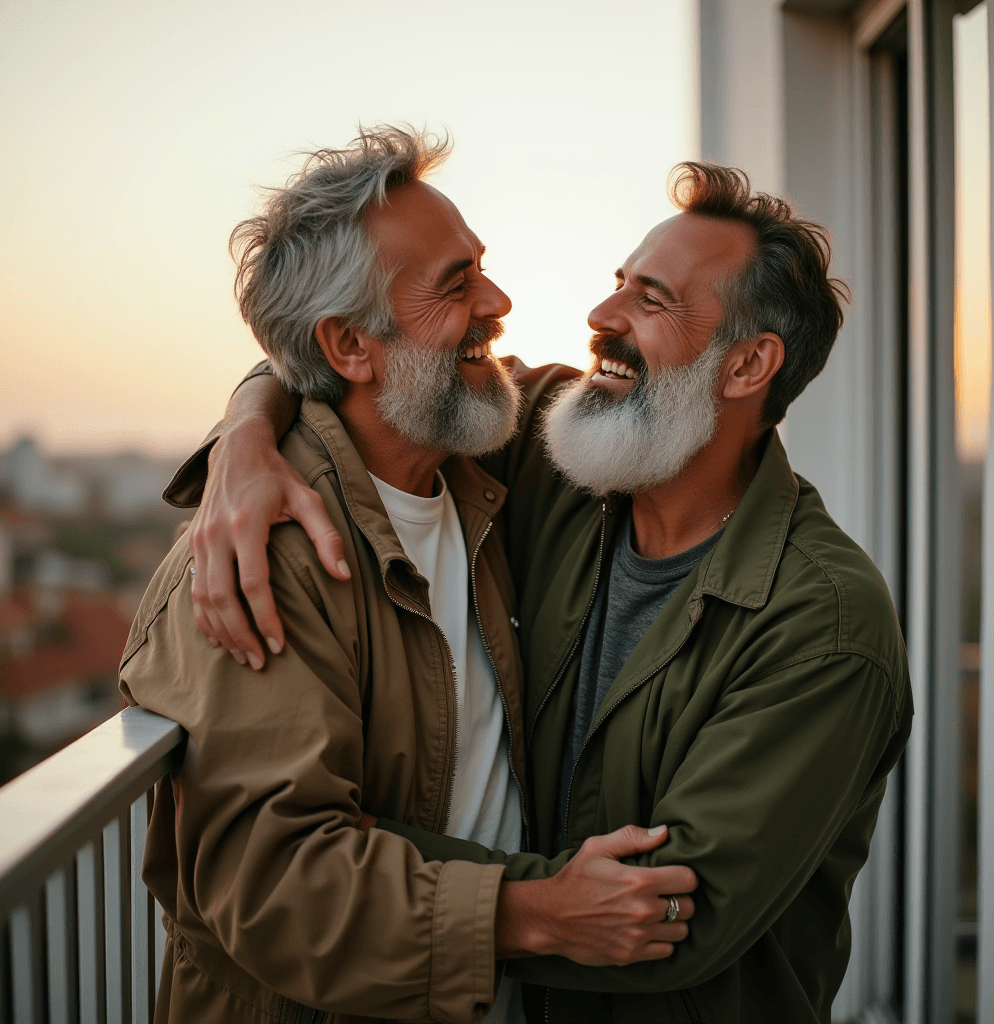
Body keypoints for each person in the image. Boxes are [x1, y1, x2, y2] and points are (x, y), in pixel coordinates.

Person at [174, 149, 913, 1022]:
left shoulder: (822, 622)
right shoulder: (563, 460)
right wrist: (246, 434)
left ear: (748, 366)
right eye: (619, 282)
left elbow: (671, 915)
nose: (601, 315)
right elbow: (359, 364)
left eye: (652, 300)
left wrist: (361, 848)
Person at [119, 127, 700, 1024]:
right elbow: (277, 885)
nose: (499, 301)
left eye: (481, 266)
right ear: (351, 346)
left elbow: (658, 408)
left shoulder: (489, 452)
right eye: (454, 285)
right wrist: (536, 913)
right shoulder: (264, 558)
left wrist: (246, 419)